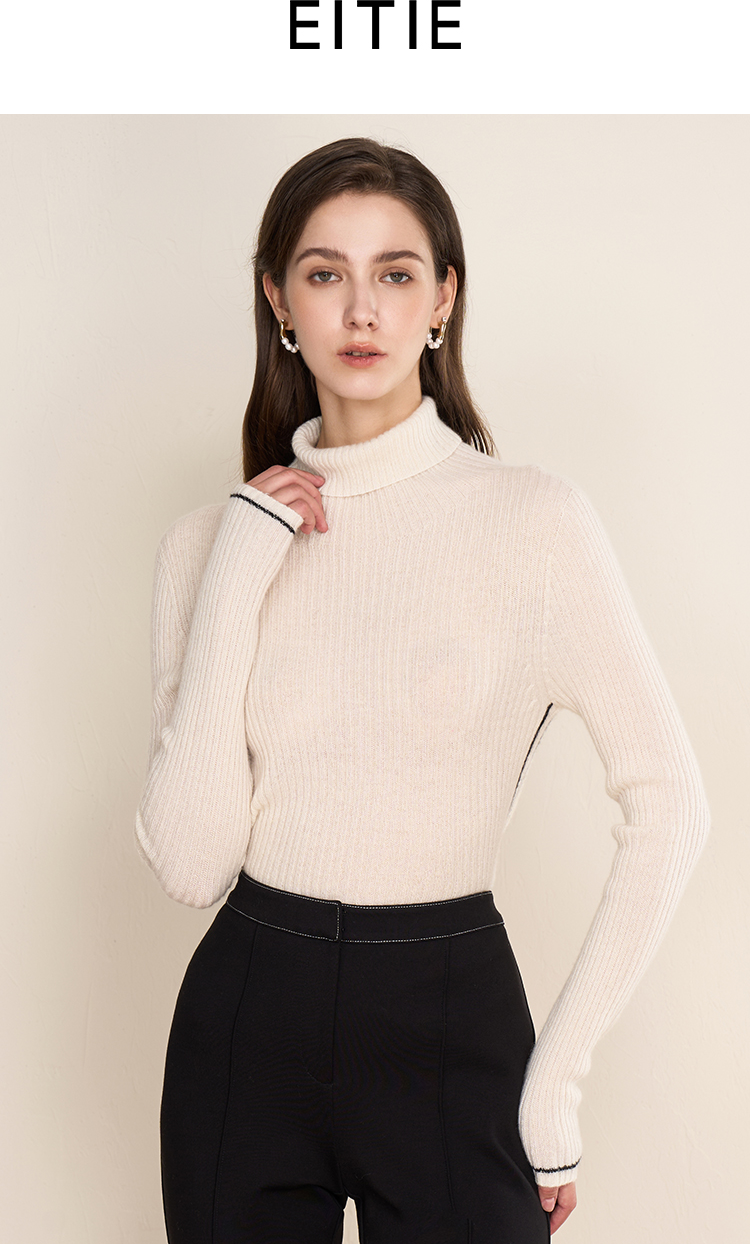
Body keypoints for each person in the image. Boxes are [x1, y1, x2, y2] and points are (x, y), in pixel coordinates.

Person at [135, 136, 710, 1243]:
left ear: (443, 298)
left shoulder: (533, 522)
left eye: (396, 273)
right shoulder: (208, 543)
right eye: (325, 272)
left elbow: (672, 806)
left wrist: (555, 1082)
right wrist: (240, 566)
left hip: (451, 1014)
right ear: (278, 298)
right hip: (246, 1021)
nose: (363, 310)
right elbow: (193, 863)